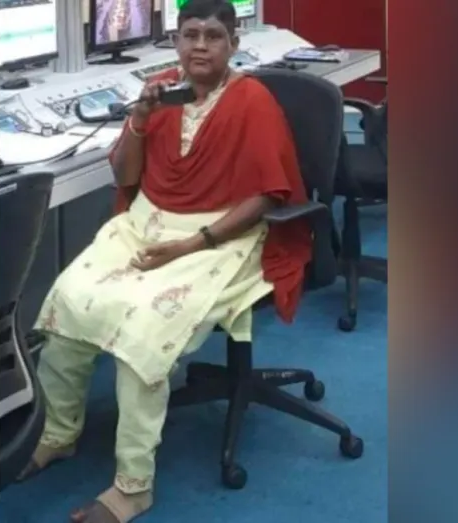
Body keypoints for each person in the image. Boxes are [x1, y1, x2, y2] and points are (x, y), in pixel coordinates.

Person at [18, 0, 312, 521]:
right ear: (175, 41)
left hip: (221, 235)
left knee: (144, 333)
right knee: (68, 300)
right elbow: (126, 178)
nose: (200, 46)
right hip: (148, 223)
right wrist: (138, 118)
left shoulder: (253, 100)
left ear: (233, 44)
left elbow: (267, 195)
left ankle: (134, 485)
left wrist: (191, 244)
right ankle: (59, 433)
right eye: (190, 34)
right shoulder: (160, 93)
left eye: (214, 36)